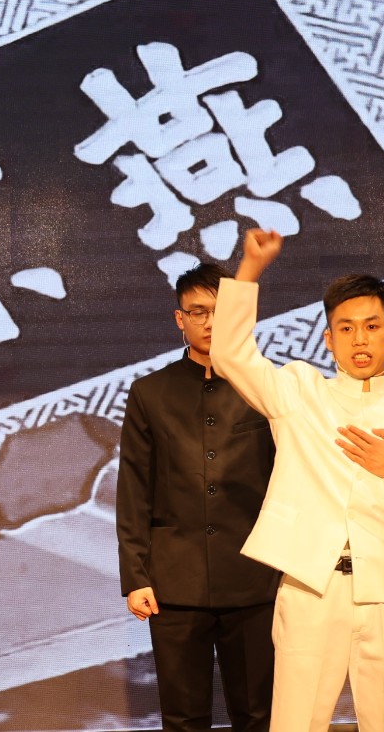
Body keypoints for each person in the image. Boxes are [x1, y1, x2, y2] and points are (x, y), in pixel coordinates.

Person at [211, 229, 384, 732]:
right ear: (329, 339)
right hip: (311, 585)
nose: (360, 339)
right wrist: (250, 269)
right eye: (346, 328)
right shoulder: (299, 392)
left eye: (372, 326)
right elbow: (231, 353)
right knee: (296, 722)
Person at [117, 263, 278, 732]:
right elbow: (133, 489)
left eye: (220, 311)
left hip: (254, 578)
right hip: (174, 584)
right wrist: (136, 576)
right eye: (198, 312)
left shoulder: (264, 388)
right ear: (180, 319)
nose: (209, 322)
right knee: (183, 718)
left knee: (258, 714)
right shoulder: (150, 393)